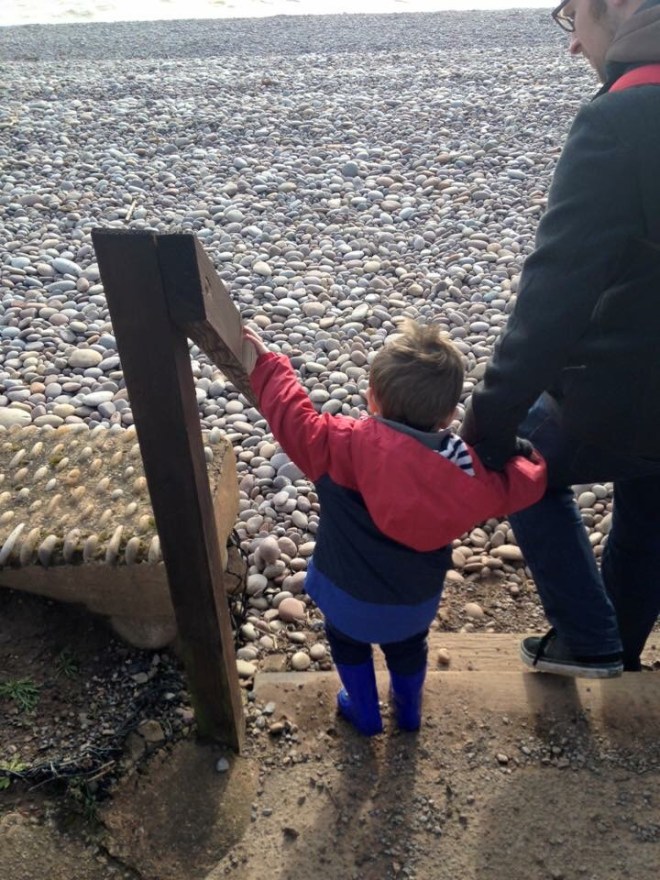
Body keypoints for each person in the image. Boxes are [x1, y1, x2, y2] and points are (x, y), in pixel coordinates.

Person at [461, 0, 660, 678]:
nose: (573, 42)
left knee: (522, 462)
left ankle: (592, 640)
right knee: (652, 498)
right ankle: (615, 643)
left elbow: (557, 291)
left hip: (637, 397)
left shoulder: (623, 119)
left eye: (574, 14)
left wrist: (492, 414)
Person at [243, 320, 546, 736]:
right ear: (450, 415)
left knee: (347, 645)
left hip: (345, 597)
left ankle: (364, 712)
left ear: (373, 399)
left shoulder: (337, 445)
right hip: (413, 604)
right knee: (408, 650)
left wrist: (269, 366)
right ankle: (407, 713)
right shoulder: (469, 476)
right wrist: (525, 456)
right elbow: (520, 486)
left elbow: (291, 418)